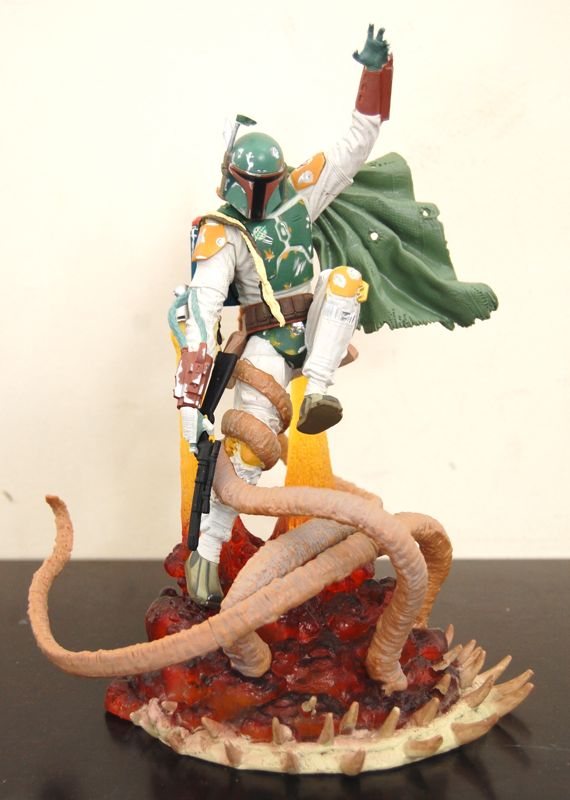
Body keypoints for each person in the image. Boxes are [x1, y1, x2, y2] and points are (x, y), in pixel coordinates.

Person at [174, 25, 393, 606]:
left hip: (313, 327)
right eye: (250, 183)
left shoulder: (299, 192)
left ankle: (319, 393)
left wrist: (373, 75)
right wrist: (191, 403)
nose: (259, 193)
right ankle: (208, 552)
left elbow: (357, 142)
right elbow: (200, 308)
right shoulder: (221, 233)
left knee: (344, 280)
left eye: (266, 183)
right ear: (232, 178)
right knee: (247, 453)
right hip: (265, 342)